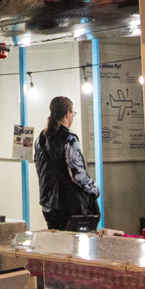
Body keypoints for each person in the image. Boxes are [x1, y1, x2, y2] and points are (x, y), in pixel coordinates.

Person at [34, 95, 100, 231]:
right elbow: (78, 175)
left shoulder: (40, 138)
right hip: (69, 206)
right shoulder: (69, 139)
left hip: (48, 205)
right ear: (67, 114)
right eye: (73, 114)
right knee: (74, 247)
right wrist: (95, 189)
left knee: (56, 247)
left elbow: (39, 167)